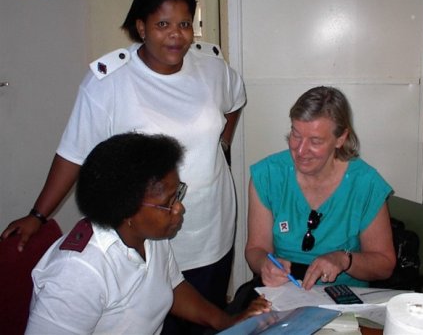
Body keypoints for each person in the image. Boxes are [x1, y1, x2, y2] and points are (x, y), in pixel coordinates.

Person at [2, 0, 244, 333]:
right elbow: (74, 153)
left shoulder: (211, 67)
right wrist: (39, 214)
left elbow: (235, 101)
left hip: (211, 225)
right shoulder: (108, 81)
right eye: (163, 24)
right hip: (147, 228)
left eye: (184, 24)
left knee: (205, 318)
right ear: (140, 27)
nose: (176, 35)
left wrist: (222, 146)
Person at [25, 133, 270, 334]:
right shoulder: (78, 273)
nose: (179, 208)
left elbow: (172, 285)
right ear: (127, 210)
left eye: (178, 194)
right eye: (168, 202)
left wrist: (227, 322)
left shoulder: (150, 236)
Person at [245, 86, 396, 291]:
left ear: (341, 139)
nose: (300, 150)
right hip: (284, 294)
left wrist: (344, 260)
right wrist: (265, 264)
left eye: (315, 141)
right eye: (296, 135)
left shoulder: (365, 183)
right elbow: (256, 249)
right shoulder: (268, 176)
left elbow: (384, 265)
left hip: (345, 298)